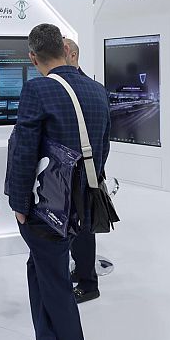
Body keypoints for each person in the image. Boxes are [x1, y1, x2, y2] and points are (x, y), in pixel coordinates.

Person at [7, 24, 111, 340]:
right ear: (65, 49)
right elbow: (103, 148)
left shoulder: (36, 89)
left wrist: (19, 204)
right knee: (39, 266)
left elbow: (24, 151)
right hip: (83, 204)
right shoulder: (97, 90)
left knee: (55, 284)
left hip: (46, 206)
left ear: (32, 57)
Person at [63, 38, 100, 305]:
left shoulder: (86, 88)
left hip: (82, 173)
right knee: (78, 227)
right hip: (80, 172)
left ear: (72, 54)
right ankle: (82, 271)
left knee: (83, 229)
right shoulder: (93, 88)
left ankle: (88, 284)